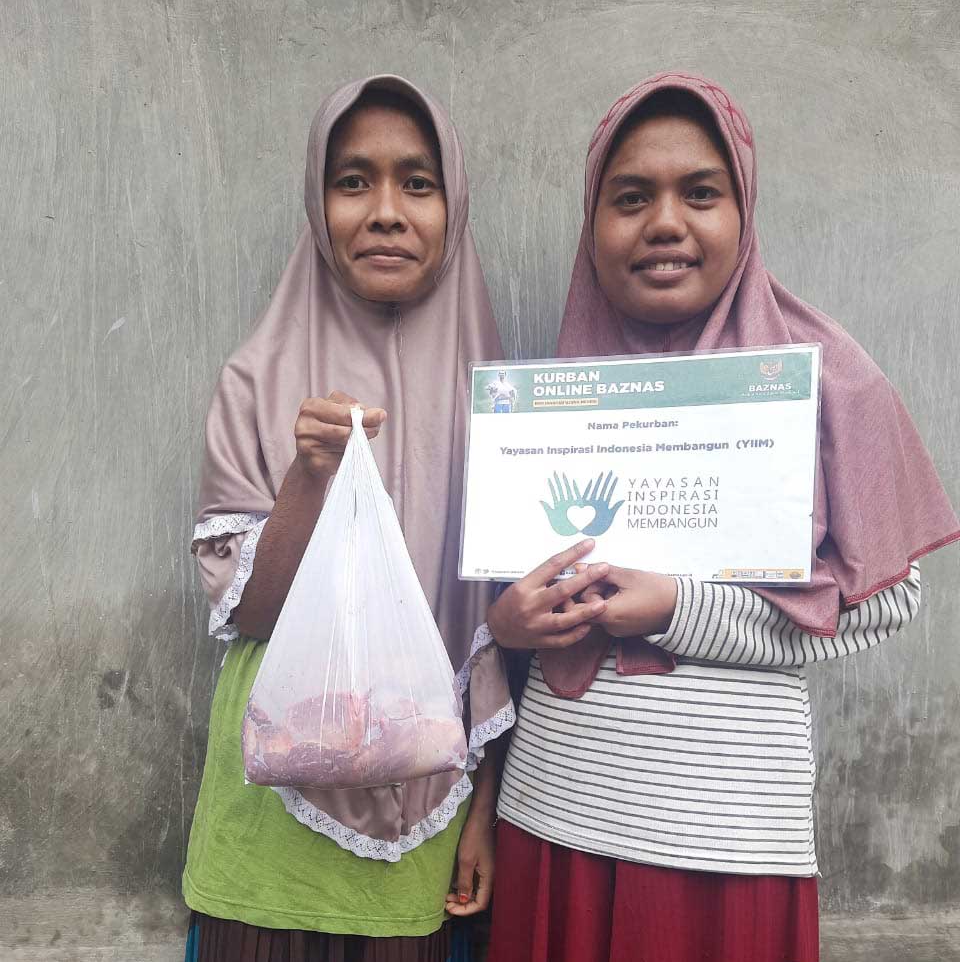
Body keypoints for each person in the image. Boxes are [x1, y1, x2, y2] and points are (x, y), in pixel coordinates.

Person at [483, 73, 959, 962]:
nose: (665, 223)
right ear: (592, 224)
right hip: (555, 813)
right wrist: (508, 625)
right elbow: (515, 605)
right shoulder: (555, 402)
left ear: (744, 212)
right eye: (631, 198)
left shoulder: (830, 384)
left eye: (700, 193)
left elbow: (890, 601)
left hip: (725, 841)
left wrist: (678, 607)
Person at [183, 75, 515, 962]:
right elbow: (251, 613)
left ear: (453, 206)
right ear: (318, 203)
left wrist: (487, 810)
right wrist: (309, 477)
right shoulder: (256, 381)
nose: (386, 212)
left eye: (418, 182)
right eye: (353, 181)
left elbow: (502, 634)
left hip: (434, 801)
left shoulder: (502, 405)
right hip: (274, 805)